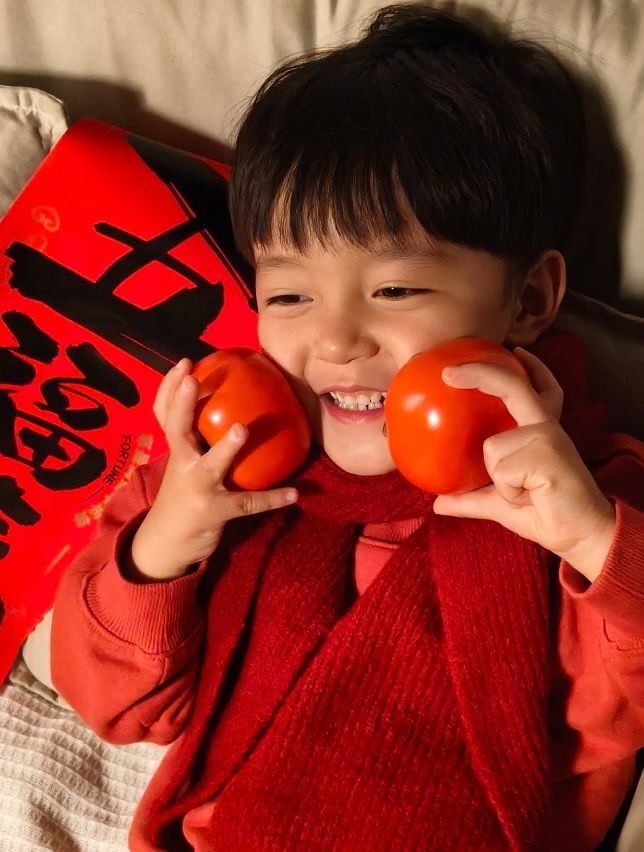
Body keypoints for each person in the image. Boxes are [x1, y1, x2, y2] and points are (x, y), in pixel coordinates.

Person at [51, 4, 644, 850]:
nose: (334, 340)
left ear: (531, 300)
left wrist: (590, 541)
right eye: (288, 295)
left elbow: (619, 713)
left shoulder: (587, 502)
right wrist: (163, 543)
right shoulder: (216, 477)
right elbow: (113, 705)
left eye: (396, 291)